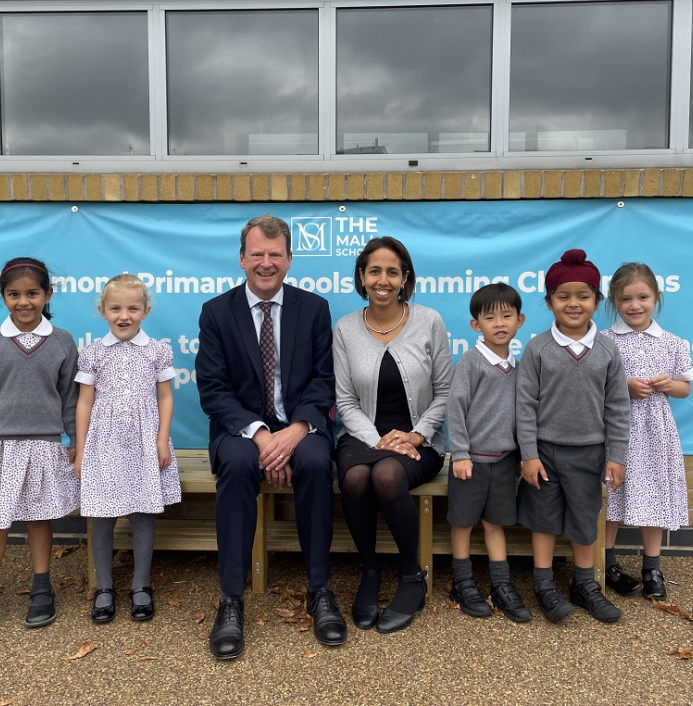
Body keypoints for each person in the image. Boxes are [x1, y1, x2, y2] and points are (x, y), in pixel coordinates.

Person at [196, 214, 346, 659]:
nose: (266, 263)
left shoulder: (314, 308)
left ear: (289, 260)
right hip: (240, 430)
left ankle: (319, 590)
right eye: (257, 254)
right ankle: (231, 599)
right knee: (240, 464)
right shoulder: (216, 312)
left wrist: (297, 430)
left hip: (302, 424)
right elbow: (213, 389)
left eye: (275, 255)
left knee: (317, 462)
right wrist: (262, 436)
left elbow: (324, 380)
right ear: (242, 259)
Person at [0, 257, 80, 639]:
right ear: (3, 296)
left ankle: (42, 589)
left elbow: (71, 398)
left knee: (40, 519)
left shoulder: (62, 341)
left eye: (33, 293)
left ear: (47, 295)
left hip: (44, 443)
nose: (24, 302)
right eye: (14, 294)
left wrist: (75, 441)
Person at [333, 236, 453, 634]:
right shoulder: (346, 328)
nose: (382, 280)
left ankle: (410, 576)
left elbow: (445, 393)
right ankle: (369, 572)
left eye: (392, 272)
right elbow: (346, 401)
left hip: (420, 439)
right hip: (363, 434)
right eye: (374, 271)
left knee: (386, 475)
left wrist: (416, 436)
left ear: (405, 278)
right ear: (362, 278)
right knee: (355, 475)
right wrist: (379, 439)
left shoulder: (429, 321)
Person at [516, 249, 630, 623]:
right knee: (544, 520)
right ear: (549, 303)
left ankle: (585, 584)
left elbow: (617, 407)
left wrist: (617, 456)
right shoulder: (537, 348)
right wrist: (529, 454)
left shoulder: (608, 349)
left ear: (597, 301)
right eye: (563, 296)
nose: (573, 303)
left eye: (583, 295)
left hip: (590, 453)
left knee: (584, 520)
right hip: (545, 454)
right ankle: (544, 584)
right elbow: (525, 406)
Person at [74, 274, 181, 624]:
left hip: (144, 440)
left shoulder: (157, 351)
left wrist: (162, 439)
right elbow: (84, 403)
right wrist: (81, 447)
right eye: (115, 308)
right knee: (102, 514)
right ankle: (105, 586)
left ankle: (140, 585)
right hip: (103, 443)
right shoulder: (92, 353)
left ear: (145, 311)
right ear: (102, 310)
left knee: (141, 512)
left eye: (133, 308)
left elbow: (165, 397)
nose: (124, 315)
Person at [601, 262, 693, 601]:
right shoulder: (604, 341)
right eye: (625, 298)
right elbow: (594, 385)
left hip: (655, 431)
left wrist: (668, 384)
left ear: (656, 297)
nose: (634, 305)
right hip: (615, 430)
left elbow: (685, 388)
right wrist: (624, 386)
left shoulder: (672, 343)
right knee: (611, 492)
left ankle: (652, 566)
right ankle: (606, 562)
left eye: (643, 297)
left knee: (653, 493)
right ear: (614, 301)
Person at [445, 283, 531, 623]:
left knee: (496, 524)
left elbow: (525, 414)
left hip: (504, 462)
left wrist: (525, 456)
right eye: (490, 317)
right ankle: (462, 582)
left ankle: (501, 584)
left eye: (507, 316)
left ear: (520, 321)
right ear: (475, 325)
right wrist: (461, 452)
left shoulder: (520, 366)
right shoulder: (471, 361)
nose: (500, 323)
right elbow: (456, 406)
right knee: (463, 523)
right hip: (472, 461)